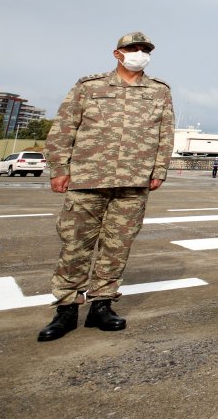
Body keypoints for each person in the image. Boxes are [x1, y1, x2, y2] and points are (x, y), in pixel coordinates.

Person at [37, 32, 174, 342]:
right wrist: (59, 169)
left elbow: (166, 133)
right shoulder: (90, 87)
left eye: (144, 49)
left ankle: (102, 304)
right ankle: (67, 308)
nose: (139, 53)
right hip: (88, 178)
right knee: (75, 245)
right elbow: (63, 127)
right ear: (117, 53)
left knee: (117, 246)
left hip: (133, 179)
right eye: (132, 48)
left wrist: (159, 169)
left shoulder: (159, 91)